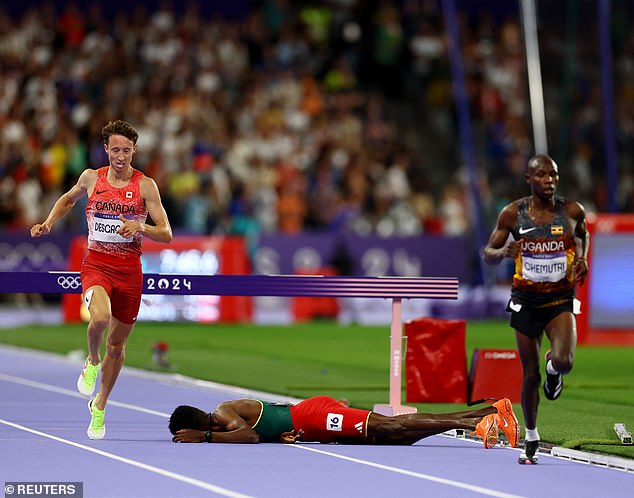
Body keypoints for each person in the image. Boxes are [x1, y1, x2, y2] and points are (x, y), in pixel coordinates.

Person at [31, 120, 173, 439]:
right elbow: (67, 199)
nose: (120, 156)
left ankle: (100, 405)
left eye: (126, 150)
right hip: (97, 264)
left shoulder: (146, 185)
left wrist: (141, 228)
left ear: (134, 150)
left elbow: (166, 233)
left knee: (118, 345)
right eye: (115, 150)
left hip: (129, 271)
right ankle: (91, 360)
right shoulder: (91, 178)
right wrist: (48, 222)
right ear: (105, 149)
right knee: (99, 319)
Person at [482, 154, 589, 465]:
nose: (549, 180)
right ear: (529, 180)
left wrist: (581, 258)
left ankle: (554, 371)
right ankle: (531, 436)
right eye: (541, 175)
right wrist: (503, 252)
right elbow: (488, 253)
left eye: (553, 175)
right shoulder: (513, 214)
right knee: (529, 375)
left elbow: (583, 234)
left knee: (565, 361)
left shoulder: (571, 211)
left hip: (559, 299)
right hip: (526, 302)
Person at [169, 395, 519, 448]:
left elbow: (250, 436)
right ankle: (480, 418)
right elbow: (266, 429)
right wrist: (284, 436)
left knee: (392, 426)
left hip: (313, 416)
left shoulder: (223, 413)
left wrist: (206, 439)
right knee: (398, 440)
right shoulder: (223, 418)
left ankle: (487, 412)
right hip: (310, 424)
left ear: (198, 423)